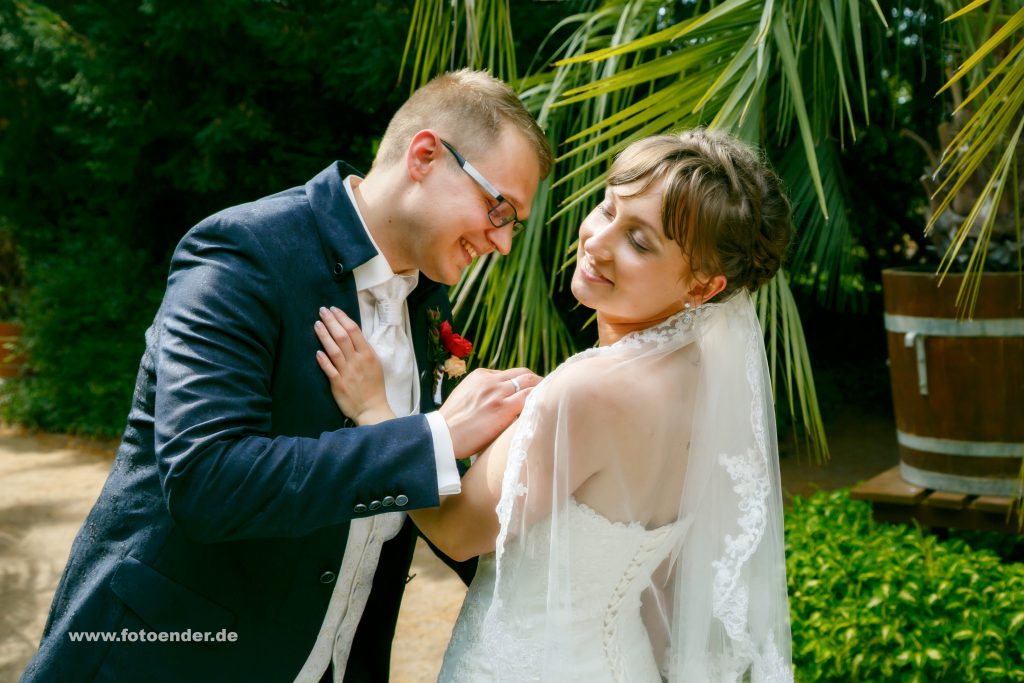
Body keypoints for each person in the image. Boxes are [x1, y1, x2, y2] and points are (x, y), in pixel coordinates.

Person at [22, 69, 551, 682]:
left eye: (513, 220)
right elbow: (207, 479)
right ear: (425, 155)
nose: (504, 241)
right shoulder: (245, 251)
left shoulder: (430, 303)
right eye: (499, 207)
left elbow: (406, 493)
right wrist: (433, 437)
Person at [316, 129, 794, 681]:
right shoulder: (706, 386)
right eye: (609, 208)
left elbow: (456, 532)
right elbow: (664, 583)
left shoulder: (586, 392)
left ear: (704, 287)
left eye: (639, 242)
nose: (597, 240)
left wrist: (377, 412)